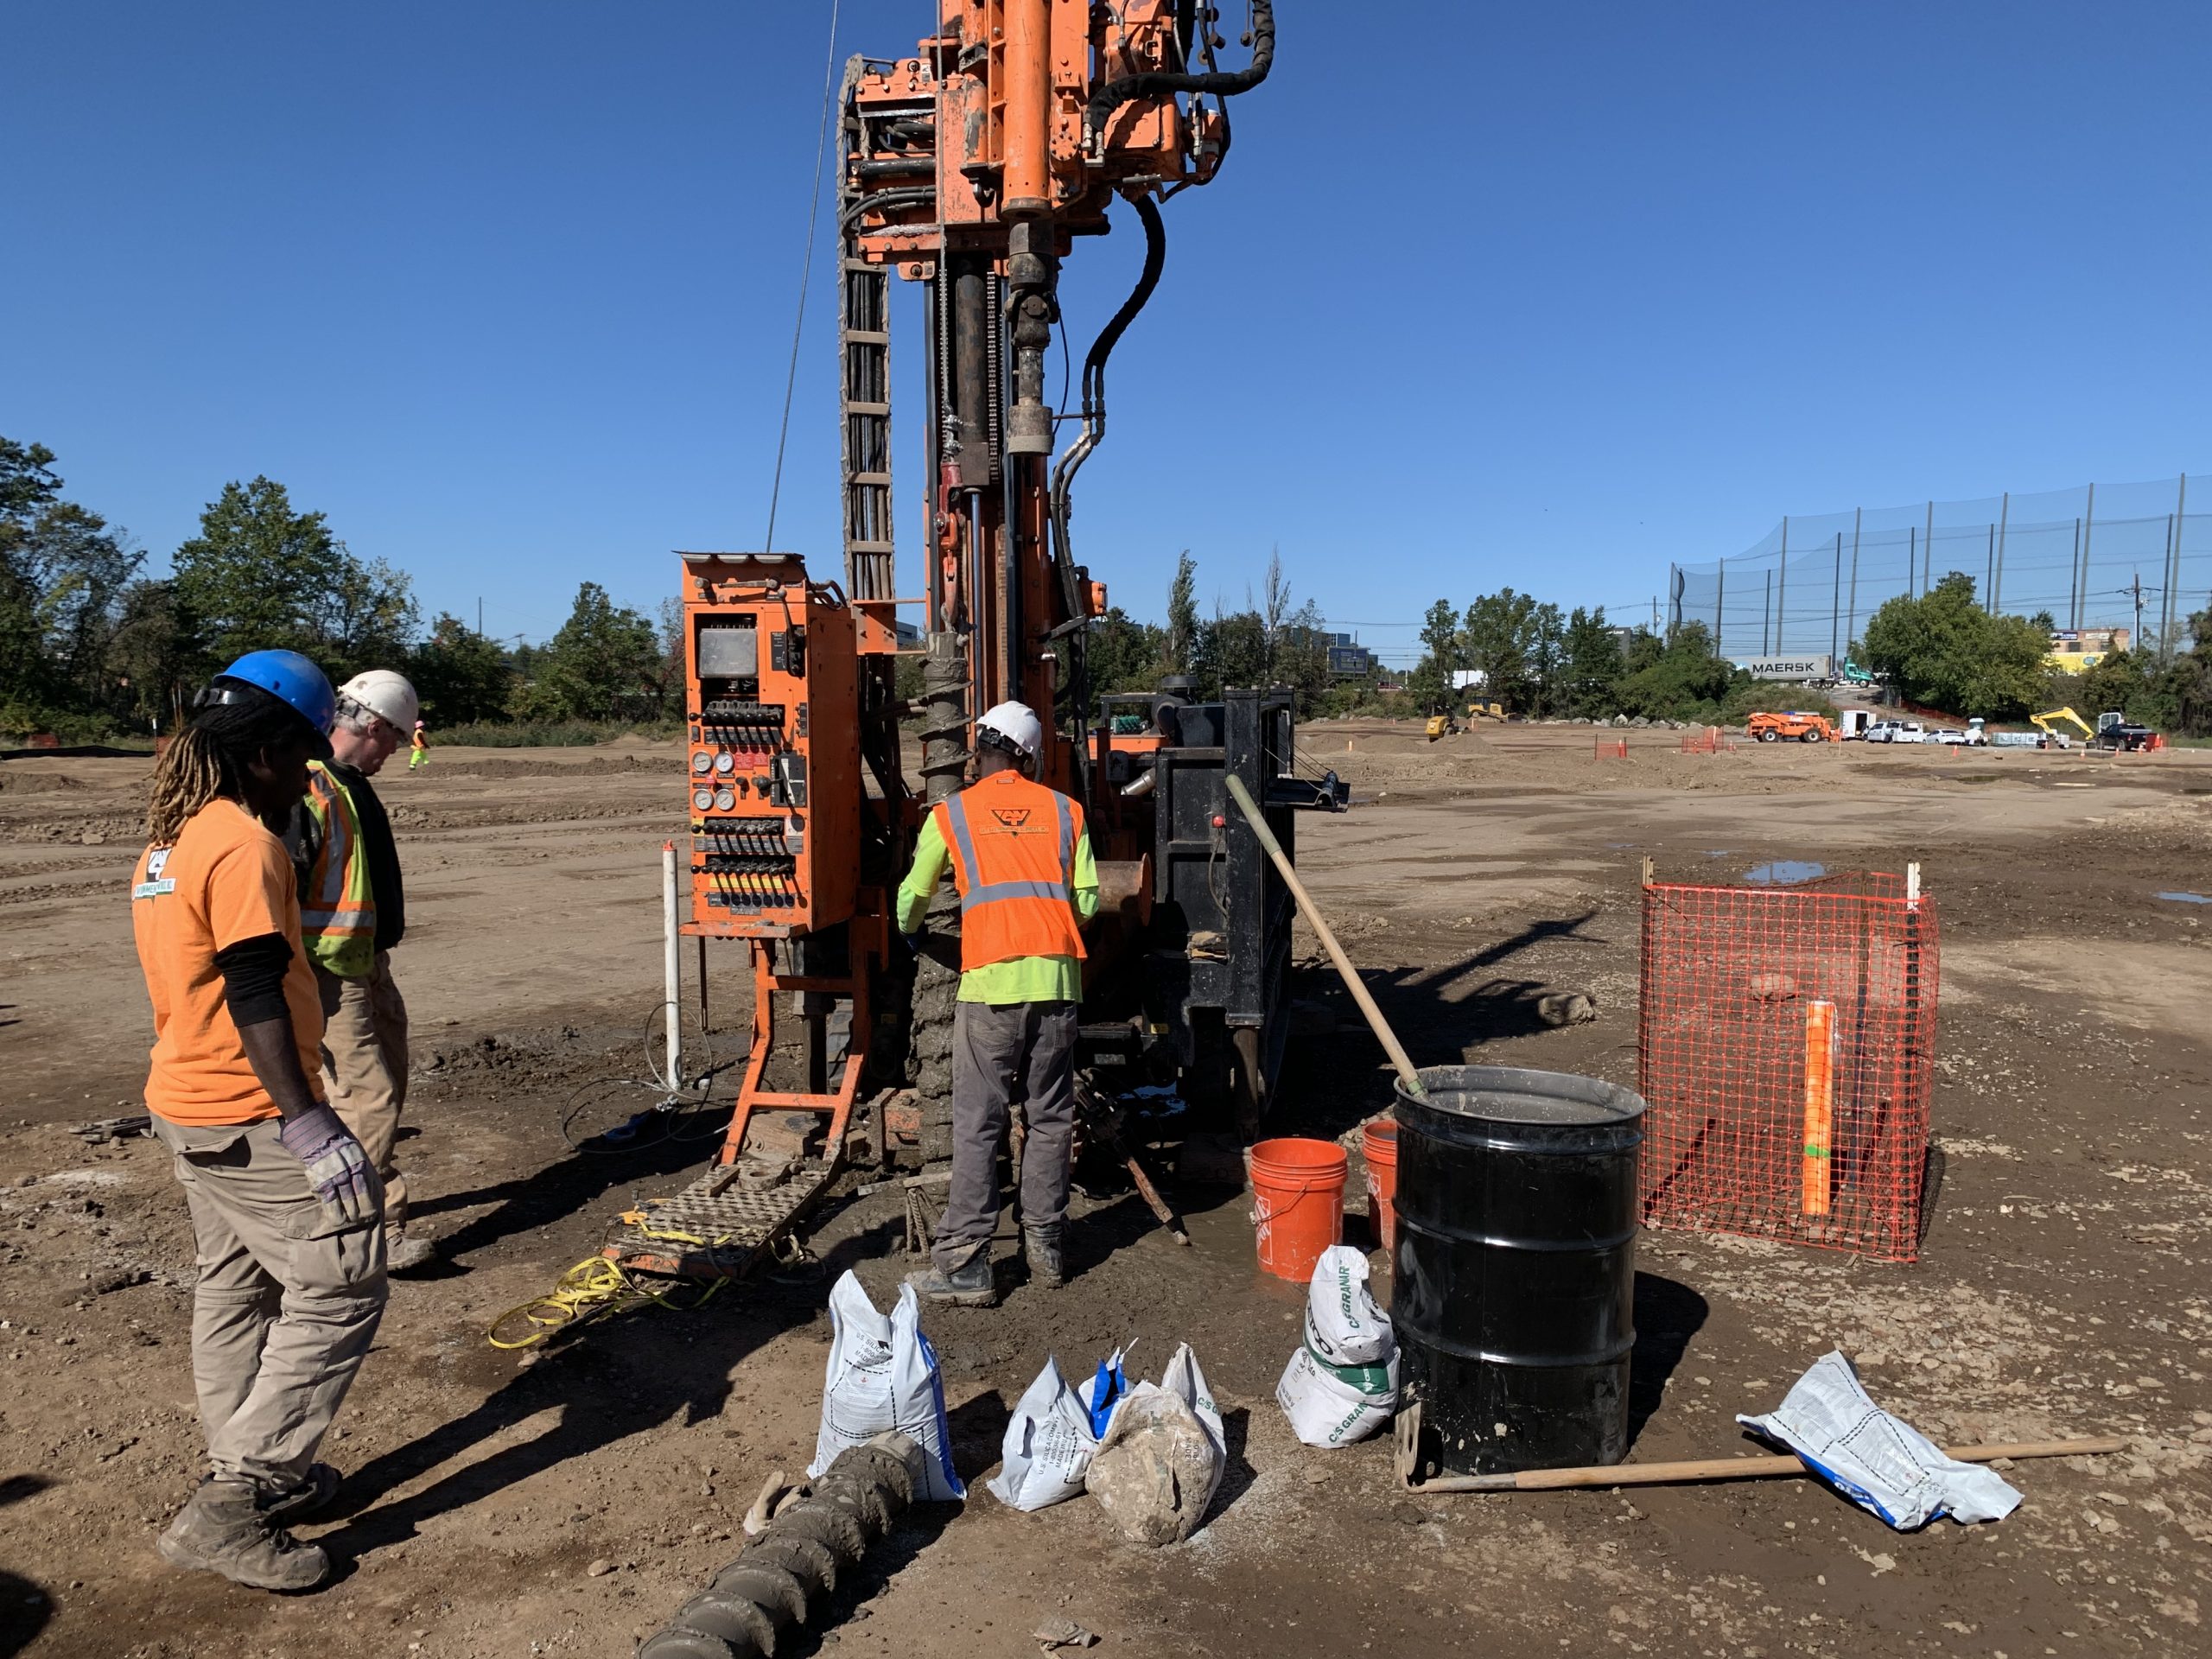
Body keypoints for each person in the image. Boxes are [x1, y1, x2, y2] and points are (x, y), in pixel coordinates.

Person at [130, 650, 386, 1592]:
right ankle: (238, 1500)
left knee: (234, 1283)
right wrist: (310, 1121)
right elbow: (248, 985)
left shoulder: (170, 838)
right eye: (307, 757)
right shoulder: (241, 843)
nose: (312, 777)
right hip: (247, 1110)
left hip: (184, 1101)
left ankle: (247, 1460)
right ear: (271, 750)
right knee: (344, 1279)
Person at [896, 701, 1096, 1307]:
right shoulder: (1067, 811)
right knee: (1050, 1119)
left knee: (979, 1122)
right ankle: (1047, 1250)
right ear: (1030, 756)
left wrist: (911, 932)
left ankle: (966, 1265)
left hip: (989, 987)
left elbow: (914, 893)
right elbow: (1085, 900)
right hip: (1057, 985)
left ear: (978, 750)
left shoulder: (951, 814)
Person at [295, 670, 433, 1272]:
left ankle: (349, 1202)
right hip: (330, 968)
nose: (395, 754)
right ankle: (371, 1232)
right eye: (395, 742)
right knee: (368, 1098)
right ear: (372, 727)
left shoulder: (349, 783)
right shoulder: (311, 789)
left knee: (388, 1082)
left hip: (368, 959)